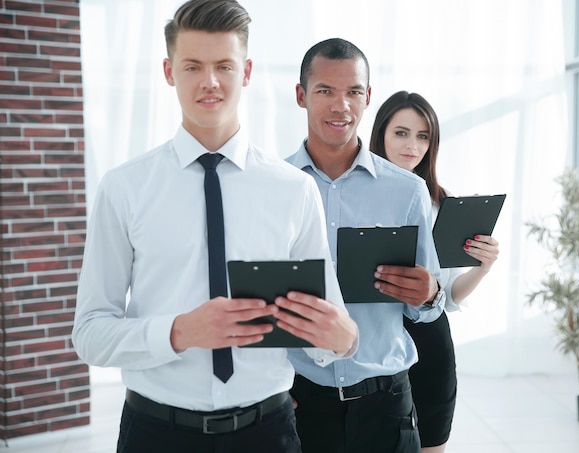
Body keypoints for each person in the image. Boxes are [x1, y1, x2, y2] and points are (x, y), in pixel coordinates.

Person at [71, 2, 358, 452]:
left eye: (223, 65)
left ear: (245, 71)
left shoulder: (293, 190)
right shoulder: (124, 188)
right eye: (193, 66)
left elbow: (328, 325)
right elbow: (89, 333)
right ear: (169, 71)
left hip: (269, 432)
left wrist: (343, 340)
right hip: (155, 434)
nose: (209, 81)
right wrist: (179, 332)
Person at [285, 38, 445, 453]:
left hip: (385, 407)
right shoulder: (273, 188)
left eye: (353, 91)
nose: (341, 106)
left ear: (368, 97)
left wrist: (429, 294)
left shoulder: (408, 190)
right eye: (325, 91)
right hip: (300, 407)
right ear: (301, 95)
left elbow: (426, 309)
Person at [370, 90, 500, 453]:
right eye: (401, 133)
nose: (412, 145)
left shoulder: (441, 203)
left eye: (423, 135)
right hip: (372, 341)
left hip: (430, 342)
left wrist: (483, 268)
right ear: (380, 134)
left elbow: (449, 295)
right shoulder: (353, 196)